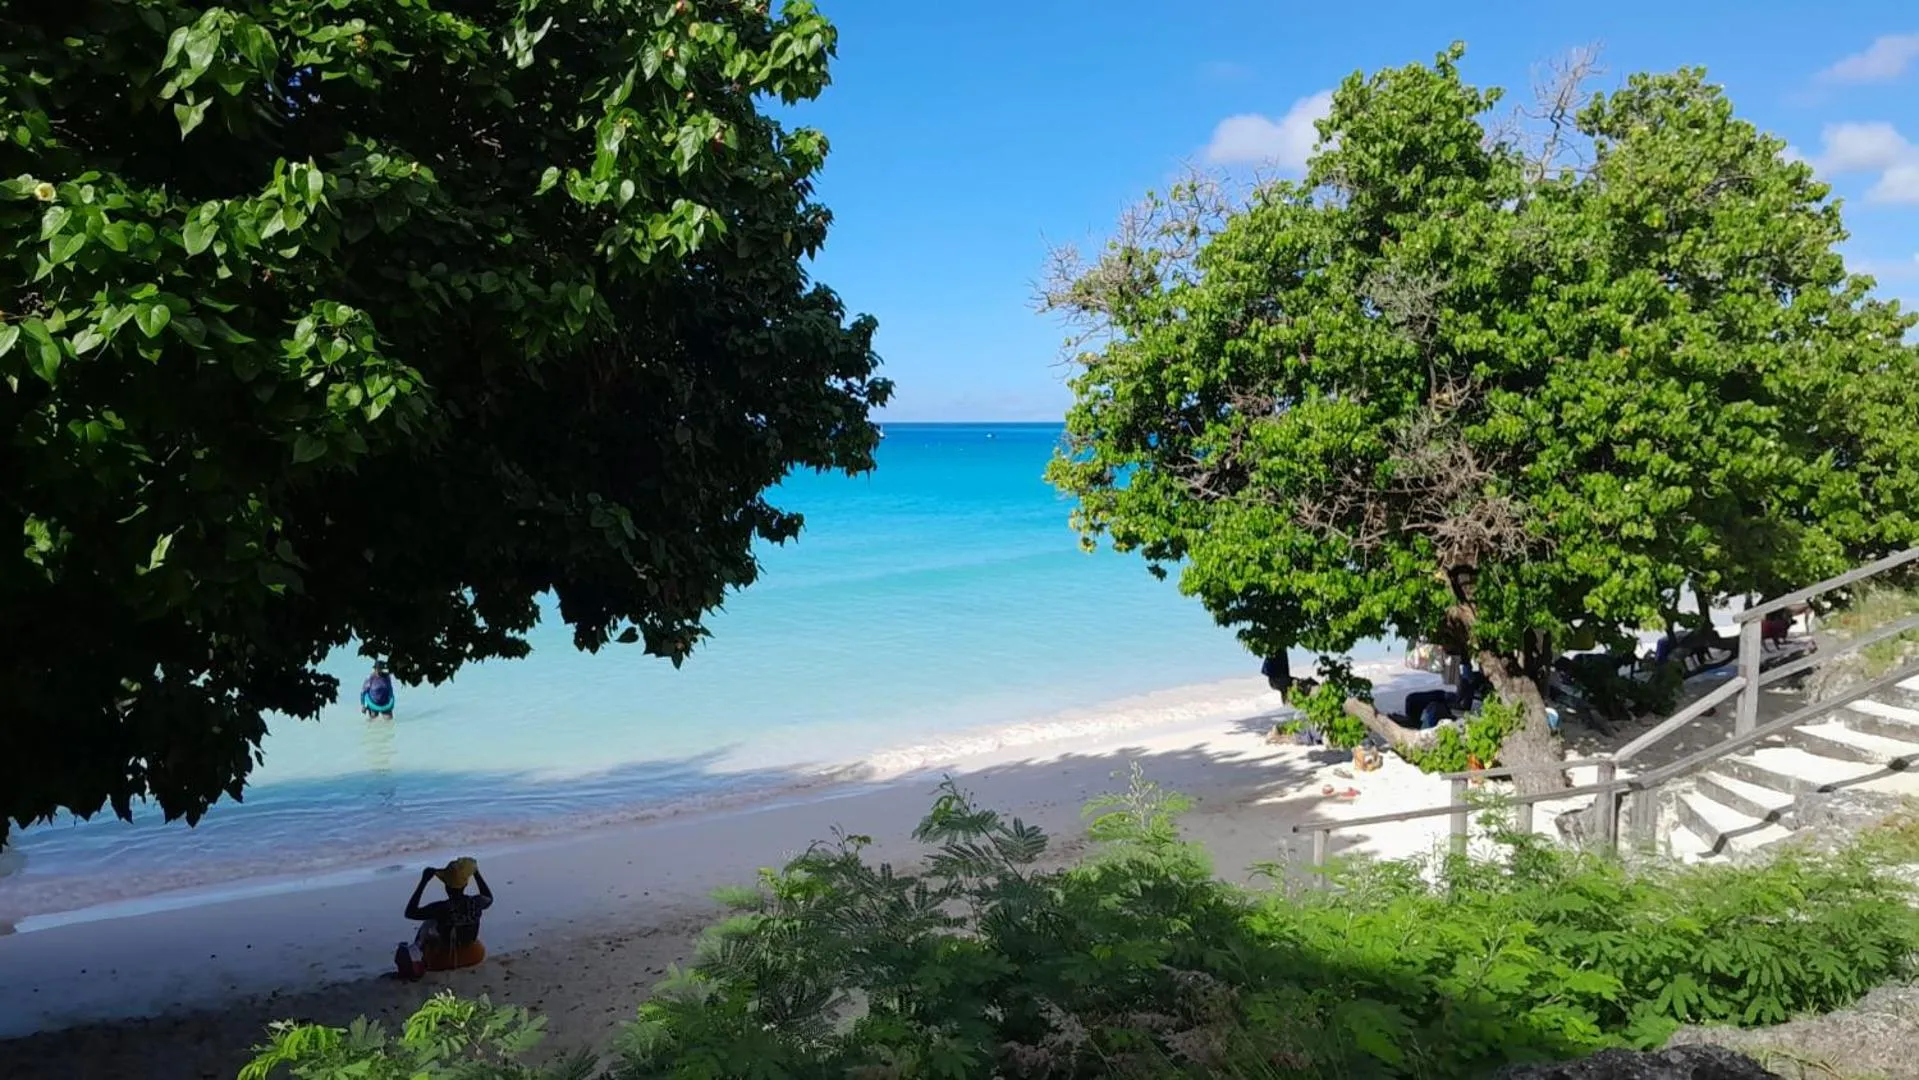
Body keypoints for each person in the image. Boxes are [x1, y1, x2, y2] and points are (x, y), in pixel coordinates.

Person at [395, 857, 492, 978]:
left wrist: (423, 882)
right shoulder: (477, 902)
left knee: (429, 923)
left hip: (442, 960)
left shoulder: (441, 908)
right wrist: (476, 872)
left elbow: (410, 912)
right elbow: (489, 897)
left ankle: (416, 952)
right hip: (475, 955)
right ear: (466, 883)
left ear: (446, 886)